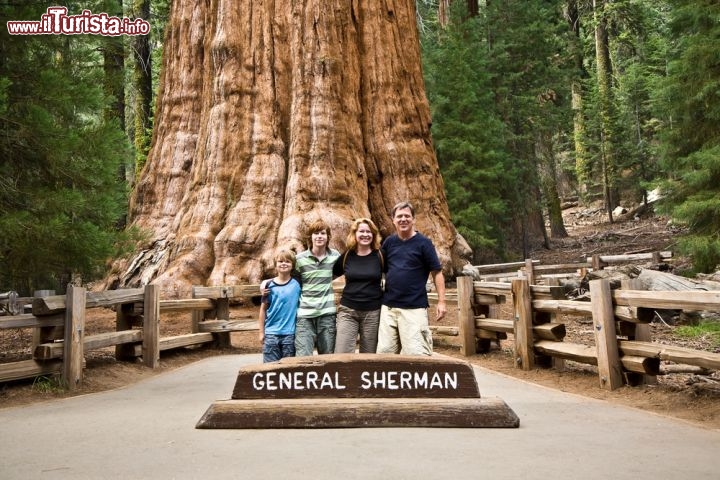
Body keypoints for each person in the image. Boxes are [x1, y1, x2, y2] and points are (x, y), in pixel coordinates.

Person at [376, 201, 446, 356]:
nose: (403, 219)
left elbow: (437, 272)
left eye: (407, 216)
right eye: (399, 216)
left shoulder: (424, 243)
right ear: (393, 220)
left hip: (414, 307)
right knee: (384, 354)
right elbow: (379, 268)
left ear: (414, 219)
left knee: (416, 355)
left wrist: (441, 302)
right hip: (389, 308)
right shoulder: (389, 242)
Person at [332, 218, 384, 353]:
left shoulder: (380, 255)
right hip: (348, 310)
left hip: (373, 312)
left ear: (373, 235)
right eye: (361, 231)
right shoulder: (347, 256)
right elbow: (333, 273)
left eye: (369, 232)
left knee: (369, 356)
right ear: (354, 234)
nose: (365, 234)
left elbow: (393, 274)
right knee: (342, 354)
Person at [294, 219, 341, 356]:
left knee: (328, 358)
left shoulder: (335, 256)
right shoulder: (299, 259)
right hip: (305, 315)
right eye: (316, 233)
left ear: (328, 237)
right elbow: (290, 280)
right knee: (303, 357)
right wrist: (267, 282)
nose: (319, 236)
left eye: (323, 233)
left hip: (327, 314)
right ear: (310, 237)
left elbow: (342, 272)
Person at [258, 249, 301, 363]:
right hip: (271, 334)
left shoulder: (297, 283)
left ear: (292, 265)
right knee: (270, 369)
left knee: (289, 369)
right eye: (280, 261)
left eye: (287, 261)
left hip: (289, 334)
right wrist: (261, 332)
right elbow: (263, 310)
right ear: (275, 265)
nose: (283, 264)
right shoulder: (268, 285)